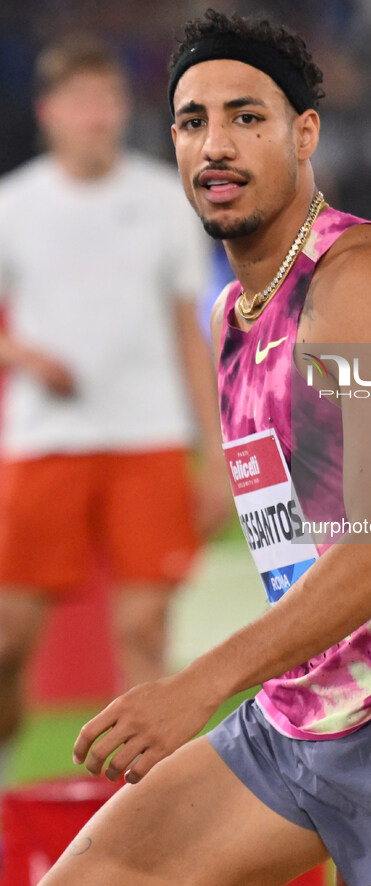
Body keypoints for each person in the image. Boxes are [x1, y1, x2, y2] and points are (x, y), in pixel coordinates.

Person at [39, 10, 371, 886]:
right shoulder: (228, 318)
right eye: (192, 121)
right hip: (305, 713)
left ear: (304, 131)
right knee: (97, 873)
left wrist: (193, 687)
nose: (216, 145)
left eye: (247, 117)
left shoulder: (360, 284)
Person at [0, 36, 230, 782]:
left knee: (144, 627)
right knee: (8, 638)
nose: (95, 115)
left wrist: (219, 455)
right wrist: (24, 357)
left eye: (108, 100)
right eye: (80, 101)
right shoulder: (15, 206)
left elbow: (188, 336)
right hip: (44, 443)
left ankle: (137, 811)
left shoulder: (165, 200)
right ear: (49, 113)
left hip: (148, 438)